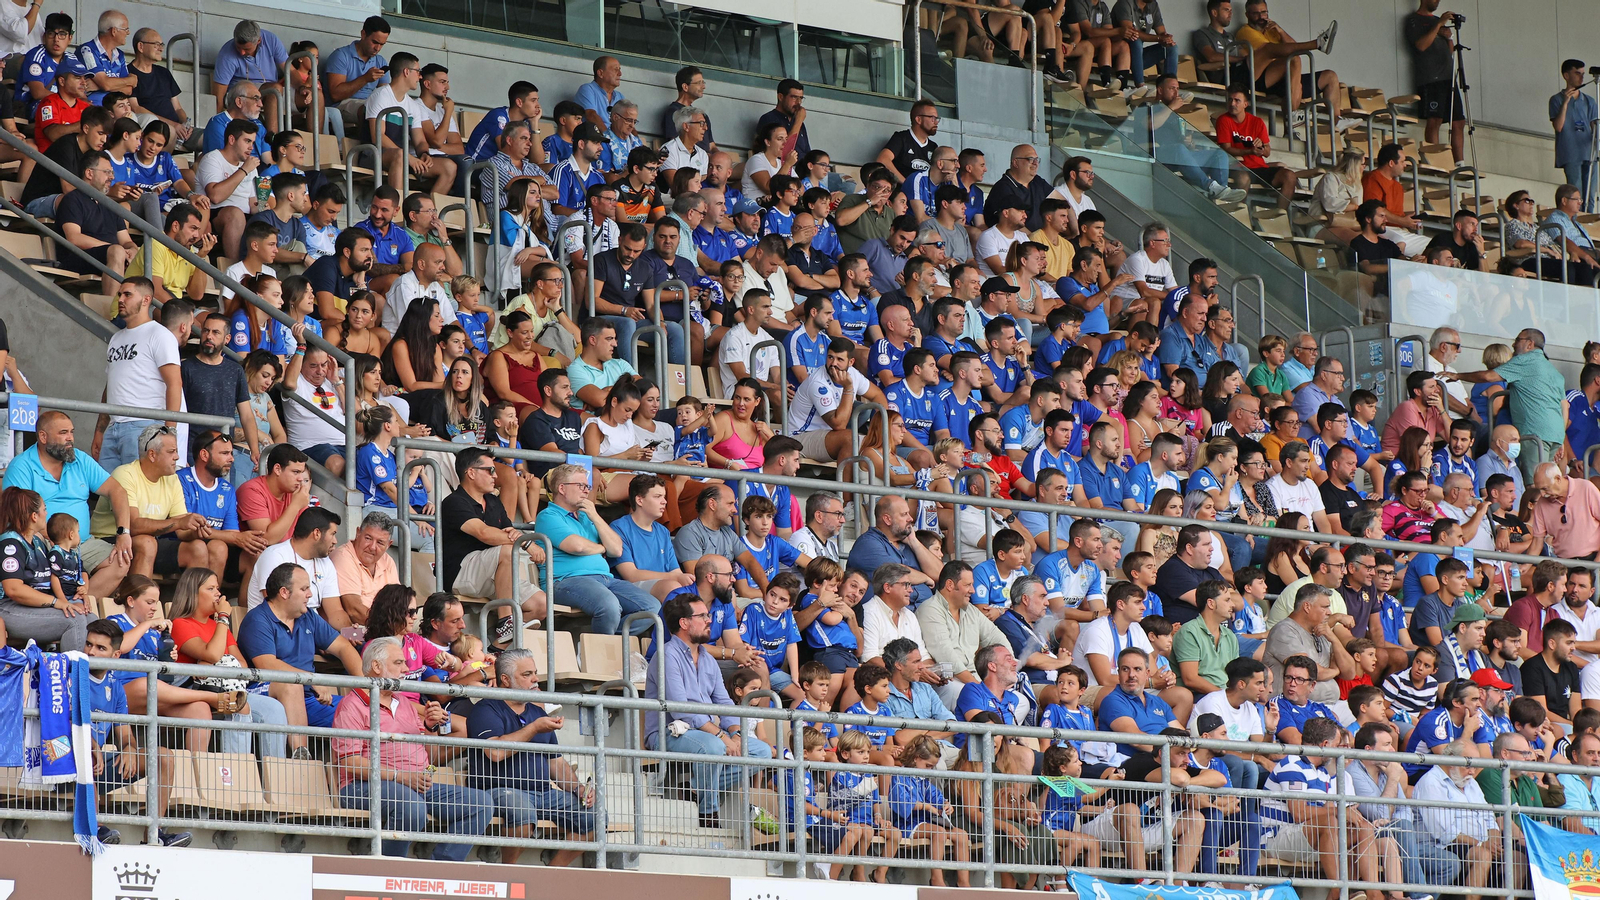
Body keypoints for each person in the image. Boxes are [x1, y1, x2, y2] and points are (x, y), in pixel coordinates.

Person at [331, 636, 492, 860]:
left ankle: (441, 870)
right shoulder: (351, 706)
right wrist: (401, 776)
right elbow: (350, 763)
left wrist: (431, 726)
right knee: (411, 805)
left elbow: (429, 755)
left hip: (414, 784)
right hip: (363, 787)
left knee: (481, 803)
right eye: (399, 663)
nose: (406, 669)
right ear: (376, 666)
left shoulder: (405, 703)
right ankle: (390, 869)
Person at [645, 592, 775, 829]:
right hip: (668, 732)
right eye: (703, 616)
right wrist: (722, 736)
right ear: (684, 623)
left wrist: (735, 732)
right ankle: (708, 816)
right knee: (714, 747)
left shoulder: (707, 658)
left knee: (762, 752)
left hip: (704, 733)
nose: (709, 620)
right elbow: (681, 710)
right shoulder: (666, 655)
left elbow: (724, 703)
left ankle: (694, 788)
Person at [466, 648, 595, 866]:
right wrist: (534, 728)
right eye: (527, 675)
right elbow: (495, 752)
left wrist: (578, 789)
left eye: (535, 673)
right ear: (505, 680)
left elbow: (556, 764)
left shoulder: (538, 714)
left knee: (595, 816)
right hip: (498, 790)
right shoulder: (485, 709)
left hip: (543, 793)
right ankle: (509, 872)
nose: (535, 679)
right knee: (522, 811)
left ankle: (552, 874)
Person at [237, 561, 362, 733]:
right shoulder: (258, 619)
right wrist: (312, 680)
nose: (310, 594)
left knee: (364, 711)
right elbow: (266, 664)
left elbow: (343, 647)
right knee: (293, 687)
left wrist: (365, 689)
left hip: (309, 698)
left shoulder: (308, 616)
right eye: (304, 589)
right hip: (267, 695)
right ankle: (301, 750)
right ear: (284, 592)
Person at [534, 462, 656, 635]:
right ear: (562, 488)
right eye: (581, 486)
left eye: (588, 486)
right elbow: (576, 546)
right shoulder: (548, 516)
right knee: (609, 605)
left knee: (651, 607)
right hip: (565, 580)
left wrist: (595, 515)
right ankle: (602, 645)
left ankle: (602, 641)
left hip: (605, 579)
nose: (586, 491)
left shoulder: (587, 516)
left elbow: (616, 550)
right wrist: (602, 548)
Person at [1446, 329, 1568, 479]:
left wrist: (1458, 375)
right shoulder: (1553, 371)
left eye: (1518, 340)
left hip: (1535, 432)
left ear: (1529, 344)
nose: (1513, 344)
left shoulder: (1525, 360)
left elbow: (1488, 376)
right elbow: (1564, 407)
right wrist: (1561, 437)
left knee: (1536, 483)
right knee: (1548, 482)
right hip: (1555, 435)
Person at [92, 280, 180, 473]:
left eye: (127, 294)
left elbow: (174, 384)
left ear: (146, 299)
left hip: (144, 425)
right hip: (113, 427)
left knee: (139, 489)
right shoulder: (116, 338)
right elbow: (111, 386)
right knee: (109, 490)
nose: (120, 299)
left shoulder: (160, 334)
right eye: (119, 294)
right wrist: (99, 431)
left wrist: (169, 432)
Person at [0, 486, 98, 649]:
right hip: (9, 608)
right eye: (44, 509)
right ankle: (72, 667)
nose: (47, 513)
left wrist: (79, 595)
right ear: (34, 516)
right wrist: (56, 602)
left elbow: (60, 574)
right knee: (74, 620)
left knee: (92, 621)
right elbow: (14, 589)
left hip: (37, 607)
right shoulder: (11, 543)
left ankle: (91, 666)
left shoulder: (38, 542)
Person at [1405, 0, 1466, 164]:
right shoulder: (1414, 20)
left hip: (1448, 78)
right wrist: (1439, 24)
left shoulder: (1438, 21)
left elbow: (1449, 51)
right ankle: (1435, 161)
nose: (1437, 1)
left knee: (1459, 121)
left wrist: (1449, 37)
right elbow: (1421, 45)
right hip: (1431, 79)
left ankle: (1459, 163)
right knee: (1435, 119)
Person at [329, 512, 399, 627]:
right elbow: (354, 610)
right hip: (359, 627)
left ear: (388, 545)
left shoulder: (387, 560)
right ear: (358, 533)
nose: (372, 547)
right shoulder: (343, 557)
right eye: (368, 538)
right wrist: (388, 627)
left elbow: (398, 602)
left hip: (389, 624)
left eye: (380, 542)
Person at [1553, 59, 1598, 208]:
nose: (1581, 77)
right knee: (1575, 194)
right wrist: (1565, 103)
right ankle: (1576, 219)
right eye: (1577, 73)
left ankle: (1589, 219)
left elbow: (1594, 127)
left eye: (1583, 74)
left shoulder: (1589, 101)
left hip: (1588, 152)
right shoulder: (1556, 100)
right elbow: (1558, 126)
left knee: (1590, 195)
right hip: (1570, 152)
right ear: (1566, 75)